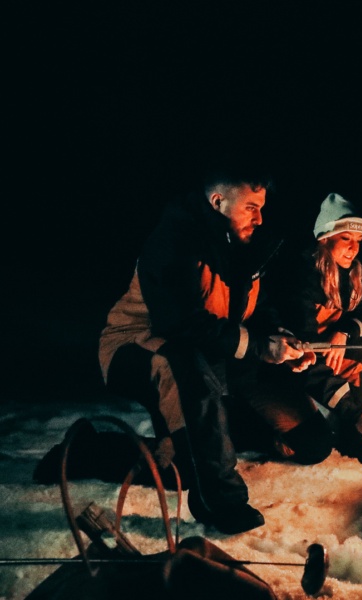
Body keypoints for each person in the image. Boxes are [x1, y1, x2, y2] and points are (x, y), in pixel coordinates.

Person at [97, 163, 333, 535]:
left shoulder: (244, 245)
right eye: (251, 208)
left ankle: (212, 434)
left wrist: (280, 339)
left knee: (312, 442)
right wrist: (258, 346)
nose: (259, 218)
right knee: (186, 467)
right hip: (141, 347)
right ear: (218, 202)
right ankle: (217, 499)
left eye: (262, 208)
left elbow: (257, 310)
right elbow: (179, 324)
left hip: (219, 355)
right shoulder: (173, 241)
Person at [275, 193, 362, 470]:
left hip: (327, 350)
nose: (353, 248)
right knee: (314, 444)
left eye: (358, 240)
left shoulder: (351, 274)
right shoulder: (302, 277)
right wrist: (353, 410)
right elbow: (303, 350)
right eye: (345, 238)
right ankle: (354, 420)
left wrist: (344, 333)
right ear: (324, 239)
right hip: (291, 366)